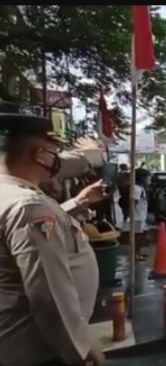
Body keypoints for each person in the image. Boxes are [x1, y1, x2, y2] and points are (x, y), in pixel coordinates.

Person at [0, 111, 108, 365]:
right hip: (39, 350)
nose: (56, 159)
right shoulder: (28, 205)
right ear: (39, 154)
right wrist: (81, 348)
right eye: (52, 152)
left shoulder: (13, 195)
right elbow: (48, 289)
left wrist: (78, 202)